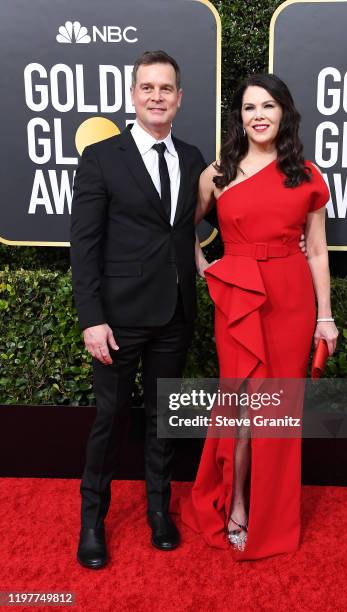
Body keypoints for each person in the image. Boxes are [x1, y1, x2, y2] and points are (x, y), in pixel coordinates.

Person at [179, 73, 338, 561]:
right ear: (240, 118)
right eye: (250, 108)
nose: (259, 116)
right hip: (239, 300)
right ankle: (239, 502)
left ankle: (271, 511)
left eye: (269, 106)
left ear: (285, 113)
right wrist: (204, 264)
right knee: (243, 406)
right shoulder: (218, 173)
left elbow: (316, 251)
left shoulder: (306, 175)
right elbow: (180, 227)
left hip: (290, 298)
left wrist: (324, 318)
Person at [70, 50, 209, 568]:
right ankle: (92, 522)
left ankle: (158, 512)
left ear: (179, 98)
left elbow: (186, 231)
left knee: (163, 419)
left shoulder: (193, 157)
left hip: (175, 313)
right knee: (109, 418)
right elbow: (84, 246)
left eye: (166, 88)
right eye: (147, 87)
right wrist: (91, 319)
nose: (157, 97)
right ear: (133, 95)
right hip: (119, 317)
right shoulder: (103, 157)